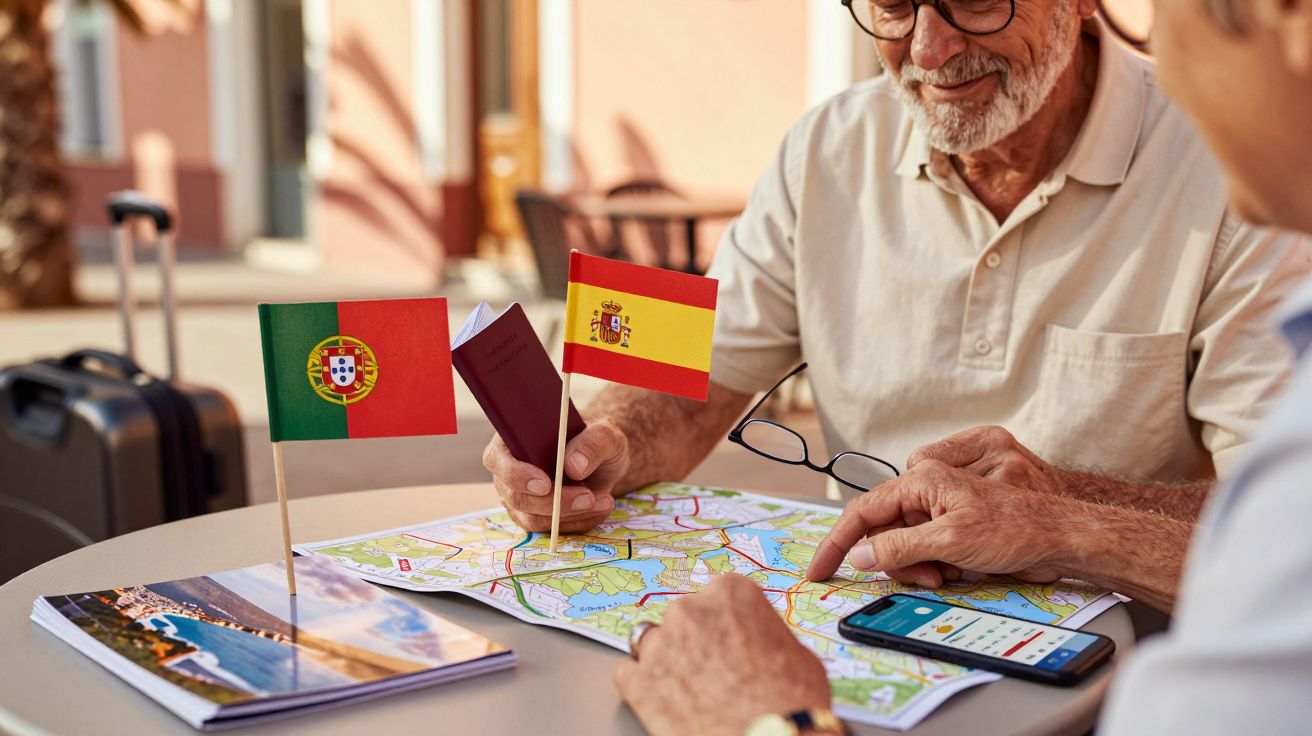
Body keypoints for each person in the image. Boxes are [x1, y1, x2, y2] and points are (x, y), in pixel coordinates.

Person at [616, 0, 1312, 733]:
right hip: (858, 654)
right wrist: (607, 437)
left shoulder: (1249, 165)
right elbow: (679, 365)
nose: (928, 48)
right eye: (892, 5)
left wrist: (1062, 516)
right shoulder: (821, 146)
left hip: (1113, 693)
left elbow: (1281, 543)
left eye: (977, 0)